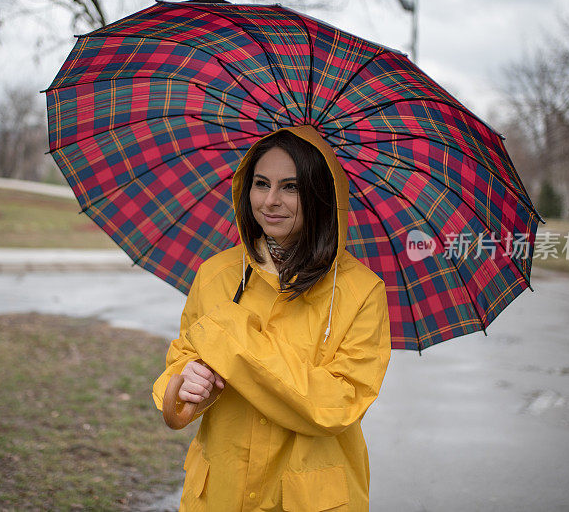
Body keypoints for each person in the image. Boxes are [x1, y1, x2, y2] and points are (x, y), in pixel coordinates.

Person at [151, 125, 391, 512]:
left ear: (320, 194)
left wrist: (235, 340)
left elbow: (339, 404)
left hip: (308, 499)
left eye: (291, 187)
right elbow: (182, 357)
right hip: (219, 494)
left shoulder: (361, 291)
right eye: (261, 183)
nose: (270, 200)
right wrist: (184, 384)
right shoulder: (216, 274)